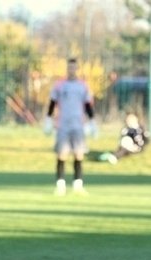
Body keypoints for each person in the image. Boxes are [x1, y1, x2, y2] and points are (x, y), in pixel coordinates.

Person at [42, 57, 96, 195]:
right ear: (67, 69)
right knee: (62, 154)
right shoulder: (60, 85)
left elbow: (87, 105)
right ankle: (60, 185)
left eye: (74, 67)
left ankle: (78, 184)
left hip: (78, 125)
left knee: (79, 154)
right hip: (63, 125)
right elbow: (52, 103)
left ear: (77, 69)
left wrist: (92, 121)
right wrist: (48, 119)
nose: (72, 70)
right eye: (69, 67)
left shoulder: (82, 86)